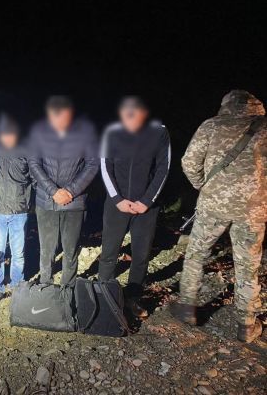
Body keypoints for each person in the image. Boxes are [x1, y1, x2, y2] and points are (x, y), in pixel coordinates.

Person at [170, 90, 266, 343]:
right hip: (252, 211)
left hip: (213, 205)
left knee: (196, 255)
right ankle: (246, 325)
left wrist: (203, 186)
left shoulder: (212, 125)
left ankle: (187, 308)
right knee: (248, 265)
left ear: (226, 105)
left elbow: (189, 161)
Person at [99, 96, 171, 317]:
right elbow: (105, 166)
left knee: (141, 255)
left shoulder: (159, 132)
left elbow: (163, 168)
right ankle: (104, 297)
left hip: (146, 208)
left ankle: (133, 298)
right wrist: (117, 199)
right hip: (117, 204)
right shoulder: (112, 132)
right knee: (109, 252)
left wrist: (146, 202)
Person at [28, 96, 99, 287]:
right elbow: (34, 163)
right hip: (46, 200)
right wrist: (53, 191)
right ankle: (45, 285)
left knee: (71, 248)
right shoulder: (38, 132)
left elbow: (92, 164)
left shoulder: (85, 132)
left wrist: (71, 191)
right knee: (47, 249)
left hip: (74, 201)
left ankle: (68, 287)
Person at [0, 113, 32, 305]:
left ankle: (17, 287)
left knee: (18, 254)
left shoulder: (26, 153)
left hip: (19, 213)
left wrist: (29, 204)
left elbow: (34, 179)